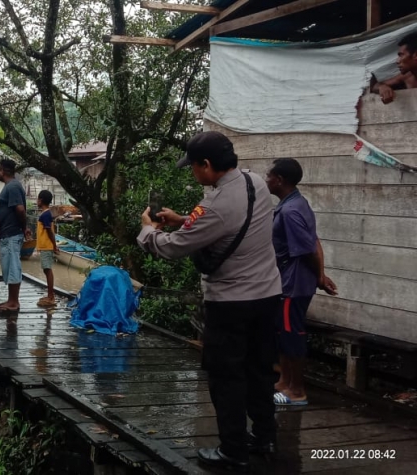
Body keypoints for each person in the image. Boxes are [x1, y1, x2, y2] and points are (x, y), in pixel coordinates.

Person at [136, 131, 282, 472]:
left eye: (193, 167)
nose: (192, 173)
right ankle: (265, 437)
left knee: (226, 376)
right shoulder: (255, 182)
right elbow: (227, 224)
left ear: (206, 165)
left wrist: (147, 230)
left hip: (231, 303)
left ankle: (233, 450)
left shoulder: (215, 204)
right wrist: (184, 220)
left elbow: (173, 247)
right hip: (268, 295)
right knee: (260, 370)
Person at [266, 158, 338, 406]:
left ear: (280, 180)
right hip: (288, 283)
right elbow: (315, 240)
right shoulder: (296, 202)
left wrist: (318, 277)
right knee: (283, 332)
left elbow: (307, 248)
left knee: (292, 335)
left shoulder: (290, 211)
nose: (266, 180)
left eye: (269, 176)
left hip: (293, 285)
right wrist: (320, 276)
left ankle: (297, 391)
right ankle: (284, 382)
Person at [0, 159, 27, 312]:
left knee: (13, 266)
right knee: (8, 266)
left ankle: (14, 302)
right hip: (7, 233)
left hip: (11, 233)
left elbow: (20, 209)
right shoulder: (10, 186)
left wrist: (24, 227)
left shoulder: (13, 186)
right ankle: (11, 299)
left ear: (2, 170)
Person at [371, 32, 417, 104]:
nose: (397, 61)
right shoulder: (408, 76)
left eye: (401, 55)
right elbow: (375, 87)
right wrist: (382, 87)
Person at [35, 190, 59, 308]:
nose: (37, 201)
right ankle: (50, 294)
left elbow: (49, 231)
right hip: (45, 246)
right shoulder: (46, 213)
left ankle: (50, 296)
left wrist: (54, 246)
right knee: (46, 269)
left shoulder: (45, 215)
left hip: (47, 246)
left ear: (41, 200)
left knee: (47, 269)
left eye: (38, 199)